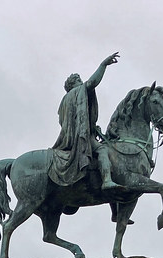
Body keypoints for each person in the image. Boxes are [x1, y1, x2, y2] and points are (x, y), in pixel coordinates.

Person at [49, 51, 120, 190]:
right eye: (79, 80)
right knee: (102, 150)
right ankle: (107, 180)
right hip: (80, 138)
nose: (81, 82)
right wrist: (103, 65)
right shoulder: (78, 92)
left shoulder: (64, 101)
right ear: (74, 84)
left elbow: (62, 121)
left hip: (68, 139)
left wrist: (92, 127)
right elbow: (92, 82)